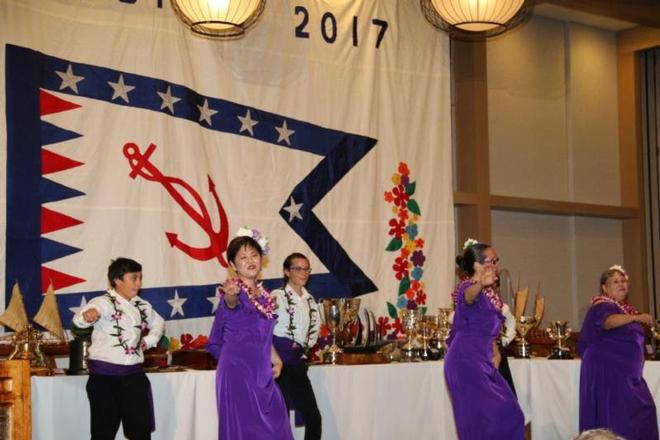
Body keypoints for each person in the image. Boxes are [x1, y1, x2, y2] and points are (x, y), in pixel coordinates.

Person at [206, 233, 293, 440]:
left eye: (254, 255)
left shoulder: (265, 295)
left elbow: (261, 334)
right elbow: (231, 302)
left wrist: (277, 359)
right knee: (244, 431)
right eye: (243, 257)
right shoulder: (234, 291)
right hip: (237, 372)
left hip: (261, 370)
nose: (250, 261)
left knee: (277, 422)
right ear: (233, 265)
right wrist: (230, 294)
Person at [72, 257, 164, 440]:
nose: (138, 283)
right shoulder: (103, 302)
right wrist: (88, 315)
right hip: (105, 380)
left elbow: (159, 323)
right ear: (117, 281)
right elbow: (82, 318)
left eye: (140, 277)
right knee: (103, 434)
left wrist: (148, 340)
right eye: (133, 278)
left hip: (134, 378)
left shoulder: (142, 305)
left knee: (140, 433)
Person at [444, 238, 525, 440]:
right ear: (477, 265)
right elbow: (469, 297)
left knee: (509, 412)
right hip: (466, 360)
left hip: (483, 359)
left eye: (497, 260)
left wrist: (495, 349)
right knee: (484, 420)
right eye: (491, 261)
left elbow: (489, 329)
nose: (495, 265)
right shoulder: (467, 287)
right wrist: (480, 282)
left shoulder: (489, 295)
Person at [577, 265, 658, 440]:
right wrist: (637, 317)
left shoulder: (623, 308)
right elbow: (608, 323)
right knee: (620, 415)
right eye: (615, 281)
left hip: (628, 375)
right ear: (604, 288)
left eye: (623, 281)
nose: (621, 284)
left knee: (641, 412)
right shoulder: (602, 305)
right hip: (611, 373)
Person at [271, 253, 322, 440]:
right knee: (280, 417)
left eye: (307, 268)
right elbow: (268, 327)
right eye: (298, 268)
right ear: (286, 271)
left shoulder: (311, 301)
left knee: (314, 417)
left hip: (298, 364)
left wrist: (304, 348)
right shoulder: (277, 296)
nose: (304, 272)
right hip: (279, 364)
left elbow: (314, 331)